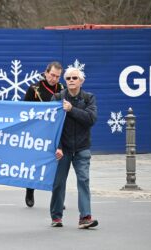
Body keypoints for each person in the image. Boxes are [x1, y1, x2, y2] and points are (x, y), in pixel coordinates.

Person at [50, 66, 98, 229]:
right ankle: (56, 217)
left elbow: (90, 119)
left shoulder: (88, 98)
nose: (71, 81)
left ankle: (85, 217)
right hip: (63, 148)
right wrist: (58, 147)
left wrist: (71, 110)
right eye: (68, 78)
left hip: (82, 147)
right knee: (58, 183)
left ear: (81, 81)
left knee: (83, 181)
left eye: (74, 78)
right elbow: (52, 125)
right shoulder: (57, 97)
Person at [23, 61, 64, 207]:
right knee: (33, 164)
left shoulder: (62, 89)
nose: (54, 79)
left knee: (57, 165)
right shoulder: (34, 89)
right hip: (37, 131)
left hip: (56, 132)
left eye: (57, 76)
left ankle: (57, 197)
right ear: (46, 73)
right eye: (52, 75)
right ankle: (30, 191)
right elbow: (24, 111)